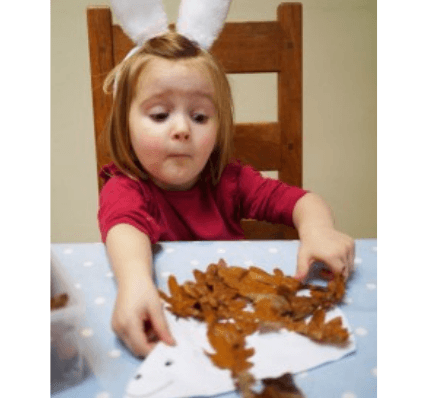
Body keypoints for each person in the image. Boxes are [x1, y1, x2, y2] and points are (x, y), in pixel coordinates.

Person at [98, 31, 355, 358]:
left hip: (239, 327)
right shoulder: (125, 187)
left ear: (219, 127)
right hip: (168, 324)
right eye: (160, 115)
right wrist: (135, 281)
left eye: (200, 117)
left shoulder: (229, 181)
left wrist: (318, 231)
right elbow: (125, 229)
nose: (182, 129)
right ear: (125, 124)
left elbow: (303, 202)